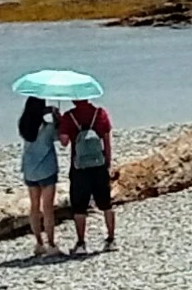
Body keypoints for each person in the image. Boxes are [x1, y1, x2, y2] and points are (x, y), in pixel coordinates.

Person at [58, 96, 117, 254]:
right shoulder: (100, 113)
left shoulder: (69, 117)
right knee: (106, 204)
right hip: (99, 165)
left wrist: (59, 123)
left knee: (79, 207)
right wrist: (108, 163)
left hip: (79, 167)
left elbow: (63, 142)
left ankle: (81, 243)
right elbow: (106, 140)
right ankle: (111, 239)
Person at [17, 94, 61, 256]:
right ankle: (51, 243)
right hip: (47, 169)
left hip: (30, 169)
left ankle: (38, 243)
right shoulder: (48, 128)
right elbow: (60, 138)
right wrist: (57, 118)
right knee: (48, 208)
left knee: (34, 207)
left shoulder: (23, 126)